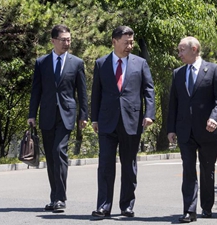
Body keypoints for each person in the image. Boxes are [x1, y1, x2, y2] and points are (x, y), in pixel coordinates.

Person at [90, 25, 155, 219]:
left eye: (132, 42)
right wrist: (94, 118)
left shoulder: (140, 63)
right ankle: (103, 206)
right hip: (107, 121)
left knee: (129, 165)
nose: (130, 46)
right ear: (114, 41)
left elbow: (148, 90)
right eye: (126, 42)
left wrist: (149, 114)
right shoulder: (101, 63)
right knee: (105, 165)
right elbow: (96, 93)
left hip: (132, 121)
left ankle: (127, 205)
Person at [28, 24, 88, 212]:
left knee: (59, 151)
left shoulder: (76, 63)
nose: (67, 43)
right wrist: (31, 115)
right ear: (53, 41)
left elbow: (82, 91)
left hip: (66, 114)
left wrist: (83, 115)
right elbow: (36, 90)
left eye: (69, 39)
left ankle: (61, 199)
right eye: (63, 40)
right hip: (46, 115)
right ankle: (54, 197)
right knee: (51, 157)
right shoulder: (42, 63)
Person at [167, 36, 217, 223]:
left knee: (207, 171)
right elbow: (173, 103)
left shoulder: (214, 69)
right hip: (185, 131)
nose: (179, 54)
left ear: (194, 49)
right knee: (188, 171)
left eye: (182, 50)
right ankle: (189, 210)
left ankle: (206, 207)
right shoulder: (178, 73)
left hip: (208, 130)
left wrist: (215, 118)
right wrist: (171, 129)